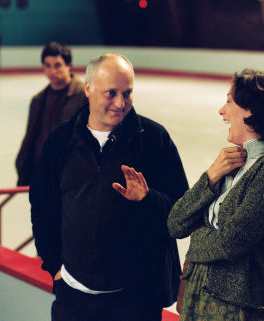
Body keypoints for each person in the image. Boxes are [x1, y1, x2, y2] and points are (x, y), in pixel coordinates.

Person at [30, 53, 189, 321]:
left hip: (135, 301)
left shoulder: (153, 140)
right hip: (73, 297)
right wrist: (54, 265)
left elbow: (183, 213)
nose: (120, 103)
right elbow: (42, 207)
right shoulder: (61, 141)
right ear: (89, 89)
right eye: (111, 93)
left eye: (127, 93)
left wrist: (148, 198)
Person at [168, 68, 264, 321]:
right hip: (199, 294)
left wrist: (196, 239)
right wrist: (211, 176)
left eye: (229, 101)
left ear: (249, 109)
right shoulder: (232, 161)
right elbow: (176, 224)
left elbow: (231, 243)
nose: (221, 111)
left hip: (240, 306)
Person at [15, 41, 87, 186]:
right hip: (42, 169)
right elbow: (31, 136)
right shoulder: (38, 100)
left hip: (70, 173)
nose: (52, 71)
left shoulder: (84, 96)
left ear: (68, 66)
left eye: (57, 65)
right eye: (47, 66)